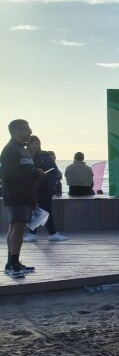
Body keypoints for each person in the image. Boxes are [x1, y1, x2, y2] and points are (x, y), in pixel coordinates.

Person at [3, 119, 43, 278]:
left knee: (15, 226)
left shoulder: (21, 149)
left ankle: (13, 262)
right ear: (16, 131)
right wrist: (34, 174)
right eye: (26, 129)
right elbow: (9, 175)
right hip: (16, 194)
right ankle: (13, 265)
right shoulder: (11, 150)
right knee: (18, 228)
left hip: (24, 194)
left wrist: (34, 172)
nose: (30, 131)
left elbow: (26, 168)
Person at [25, 135, 66, 242]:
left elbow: (55, 169)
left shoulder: (45, 155)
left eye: (36, 143)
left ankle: (51, 233)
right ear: (27, 144)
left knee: (47, 210)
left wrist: (47, 174)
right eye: (31, 143)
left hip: (45, 187)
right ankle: (34, 234)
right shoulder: (24, 155)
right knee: (34, 209)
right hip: (30, 187)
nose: (34, 146)